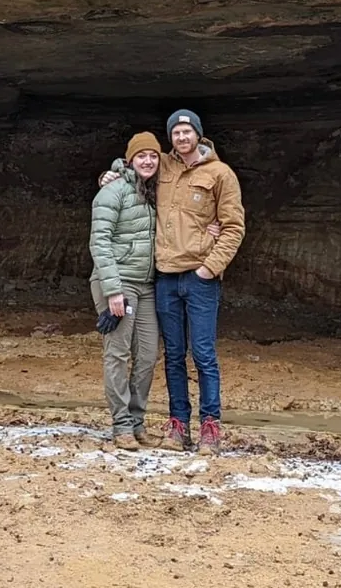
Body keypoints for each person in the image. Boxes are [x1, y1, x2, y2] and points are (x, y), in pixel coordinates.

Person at [101, 110, 245, 454]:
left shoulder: (221, 174)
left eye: (187, 131)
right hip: (164, 277)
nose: (182, 137)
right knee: (174, 355)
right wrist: (110, 174)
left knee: (204, 354)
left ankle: (210, 426)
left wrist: (209, 268)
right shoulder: (164, 166)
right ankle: (177, 425)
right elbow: (137, 162)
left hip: (200, 277)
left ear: (198, 134)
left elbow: (233, 227)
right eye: (176, 133)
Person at [88, 132, 162, 451]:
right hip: (117, 284)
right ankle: (121, 426)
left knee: (146, 356)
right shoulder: (113, 190)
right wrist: (114, 291)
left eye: (154, 156)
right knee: (117, 353)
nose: (148, 161)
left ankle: (138, 423)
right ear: (130, 159)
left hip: (147, 285)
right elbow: (99, 242)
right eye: (141, 155)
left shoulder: (160, 191)